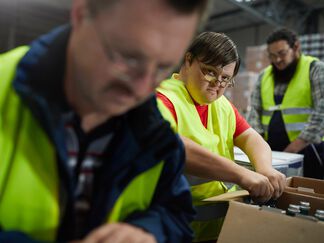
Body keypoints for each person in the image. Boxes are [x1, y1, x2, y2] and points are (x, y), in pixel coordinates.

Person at [0, 0, 212, 242]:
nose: (142, 89)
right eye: (128, 58)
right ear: (81, 14)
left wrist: (149, 232)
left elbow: (175, 212)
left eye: (163, 67)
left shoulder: (156, 129)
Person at [156, 32, 286, 242]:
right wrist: (242, 175)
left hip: (216, 227)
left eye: (225, 78)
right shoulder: (162, 100)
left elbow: (251, 138)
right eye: (209, 72)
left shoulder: (222, 106)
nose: (217, 84)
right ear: (188, 60)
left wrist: (265, 169)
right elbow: (174, 146)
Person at [247, 28, 324, 179]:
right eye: (272, 56)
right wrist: (259, 143)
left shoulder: (314, 69)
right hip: (272, 152)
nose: (277, 60)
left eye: (282, 53)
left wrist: (296, 145)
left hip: (309, 150)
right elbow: (254, 110)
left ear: (295, 47)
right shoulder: (264, 76)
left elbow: (322, 110)